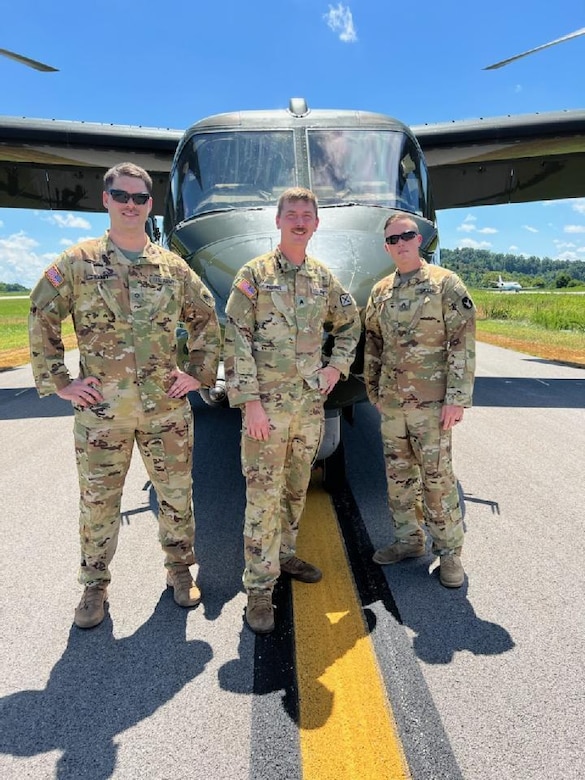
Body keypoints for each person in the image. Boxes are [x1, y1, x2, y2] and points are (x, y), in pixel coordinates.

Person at [29, 162, 220, 629]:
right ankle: (95, 586)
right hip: (102, 414)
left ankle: (179, 570)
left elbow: (207, 318)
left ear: (149, 205)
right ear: (106, 200)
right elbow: (41, 315)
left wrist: (197, 373)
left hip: (166, 411)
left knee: (176, 496)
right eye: (121, 195)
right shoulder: (77, 262)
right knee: (98, 502)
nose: (130, 204)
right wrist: (59, 382)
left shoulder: (172, 268)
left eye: (139, 197)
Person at [224, 186, 360, 634]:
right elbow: (236, 338)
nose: (300, 221)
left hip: (308, 410)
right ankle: (259, 590)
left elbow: (350, 323)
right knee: (262, 498)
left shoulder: (323, 278)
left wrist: (336, 368)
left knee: (296, 490)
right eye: (292, 214)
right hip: (267, 411)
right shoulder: (255, 274)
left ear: (317, 224)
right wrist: (250, 404)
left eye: (307, 215)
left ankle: (283, 557)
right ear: (278, 221)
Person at [364, 212, 475, 588]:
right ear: (386, 247)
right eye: (393, 240)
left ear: (420, 240)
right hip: (393, 405)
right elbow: (374, 345)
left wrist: (457, 398)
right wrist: (374, 393)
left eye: (407, 236)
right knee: (398, 478)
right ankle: (408, 541)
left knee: (437, 479)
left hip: (432, 405)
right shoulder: (381, 291)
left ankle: (449, 554)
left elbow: (462, 343)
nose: (400, 244)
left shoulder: (446, 285)